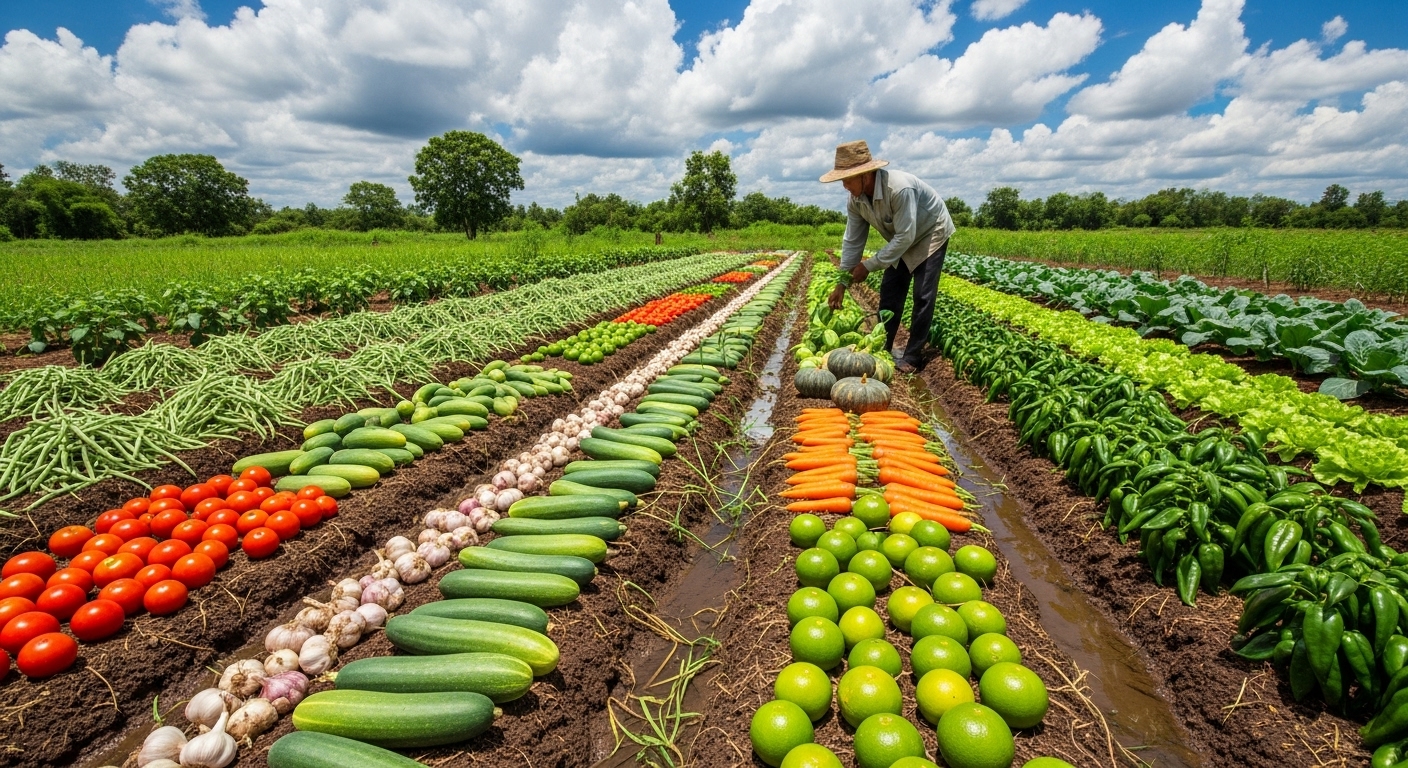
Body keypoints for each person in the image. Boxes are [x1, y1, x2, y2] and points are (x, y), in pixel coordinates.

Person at [821, 140, 954, 373]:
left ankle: (912, 356)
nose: (844, 186)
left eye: (847, 179)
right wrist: (842, 282)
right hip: (902, 237)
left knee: (922, 295)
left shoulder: (899, 189)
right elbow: (853, 240)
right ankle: (883, 347)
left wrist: (868, 266)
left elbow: (906, 236)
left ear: (865, 175)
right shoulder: (856, 200)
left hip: (930, 232)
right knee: (890, 292)